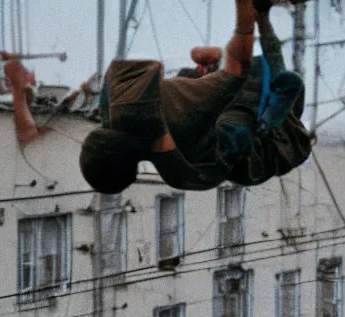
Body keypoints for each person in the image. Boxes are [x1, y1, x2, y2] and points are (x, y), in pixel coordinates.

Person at [79, 0, 311, 194]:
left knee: (269, 79)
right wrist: (248, 14)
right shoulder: (184, 123)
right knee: (273, 81)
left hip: (240, 142)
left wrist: (257, 17)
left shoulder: (171, 144)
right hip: (257, 146)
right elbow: (242, 72)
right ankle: (221, 67)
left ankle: (218, 67)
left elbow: (262, 67)